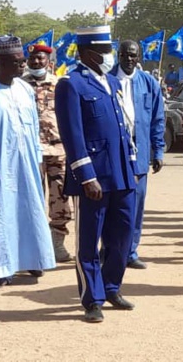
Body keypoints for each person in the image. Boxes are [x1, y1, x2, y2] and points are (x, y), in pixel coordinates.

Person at [54, 25, 137, 323]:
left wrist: (131, 164)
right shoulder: (71, 84)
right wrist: (86, 176)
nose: (110, 55)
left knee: (123, 235)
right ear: (89, 53)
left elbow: (123, 128)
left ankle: (111, 286)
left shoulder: (112, 81)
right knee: (89, 242)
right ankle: (92, 299)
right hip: (95, 177)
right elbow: (72, 134)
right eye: (105, 50)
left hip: (122, 173)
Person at [0, 36, 55, 289]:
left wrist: (38, 160)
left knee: (30, 209)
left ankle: (32, 259)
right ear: (1, 61)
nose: (23, 65)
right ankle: (0, 268)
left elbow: (33, 129)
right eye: (17, 62)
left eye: (23, 61)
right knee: (0, 213)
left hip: (28, 163)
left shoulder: (25, 89)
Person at [114, 40, 165, 269]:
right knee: (112, 202)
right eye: (125, 54)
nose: (129, 59)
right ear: (118, 55)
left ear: (138, 57)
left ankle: (130, 251)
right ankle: (110, 249)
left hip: (140, 150)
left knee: (136, 203)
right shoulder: (107, 80)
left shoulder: (148, 83)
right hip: (115, 149)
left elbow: (157, 119)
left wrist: (158, 150)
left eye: (133, 55)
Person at [22, 44, 74, 263]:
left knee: (60, 198)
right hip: (29, 151)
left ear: (49, 62)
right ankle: (33, 246)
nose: (36, 62)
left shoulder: (60, 84)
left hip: (57, 150)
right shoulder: (19, 85)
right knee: (31, 199)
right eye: (32, 59)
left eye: (40, 59)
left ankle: (57, 244)